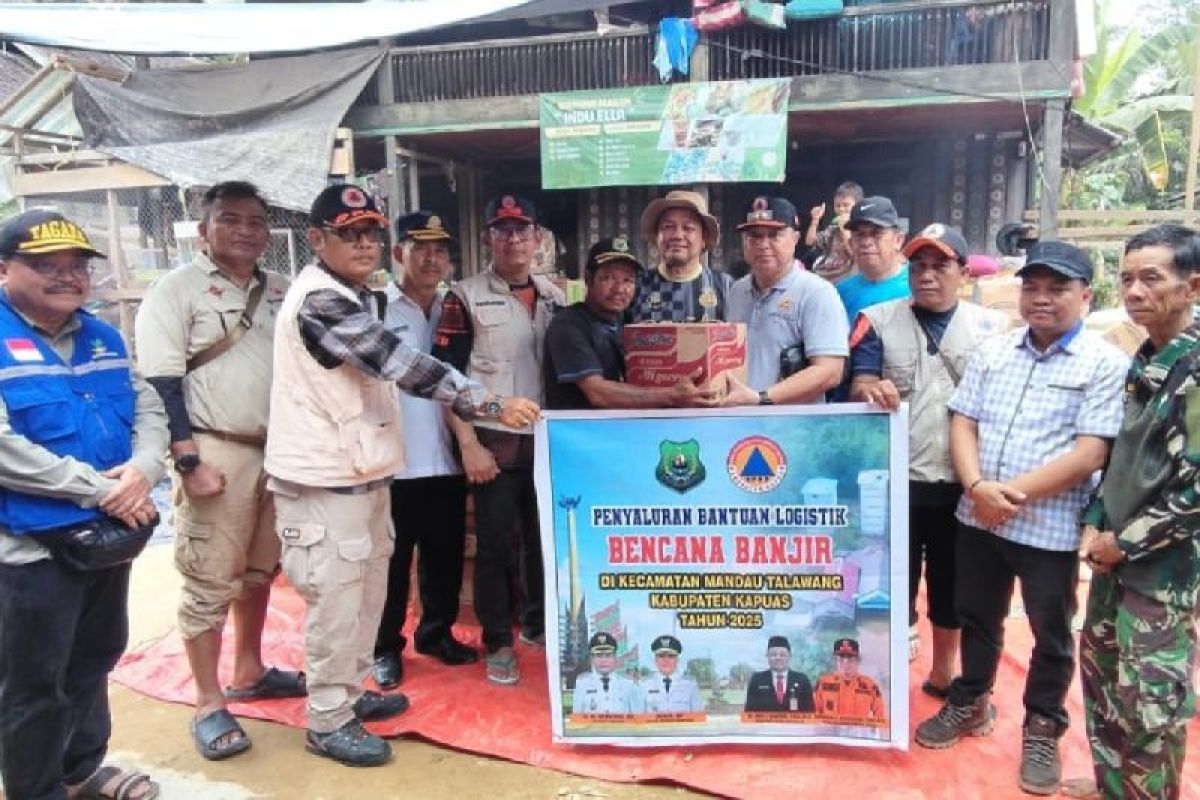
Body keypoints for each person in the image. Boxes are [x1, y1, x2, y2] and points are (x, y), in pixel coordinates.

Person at [266, 184, 537, 767]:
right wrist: (487, 404)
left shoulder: (355, 294)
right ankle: (327, 718)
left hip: (362, 473)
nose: (363, 243)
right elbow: (398, 362)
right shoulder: (320, 299)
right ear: (317, 240)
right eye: (349, 234)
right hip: (322, 482)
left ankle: (353, 691)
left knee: (367, 592)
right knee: (336, 601)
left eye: (370, 232)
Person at [915, 241, 1128, 797]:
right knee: (976, 616)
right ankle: (970, 701)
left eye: (1057, 289)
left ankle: (1042, 726)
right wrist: (977, 487)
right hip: (978, 518)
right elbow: (963, 421)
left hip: (1049, 527)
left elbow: (1091, 453)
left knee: (1051, 634)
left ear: (1086, 295)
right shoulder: (996, 350)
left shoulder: (1105, 363)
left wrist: (1006, 494)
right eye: (1032, 287)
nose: (1041, 299)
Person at [0, 209, 167, 800]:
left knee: (94, 656)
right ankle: (36, 791)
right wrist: (98, 488)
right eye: (46, 265)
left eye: (76, 266)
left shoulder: (102, 335)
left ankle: (79, 772)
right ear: (4, 270)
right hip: (28, 550)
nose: (67, 277)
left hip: (104, 535)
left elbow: (147, 405)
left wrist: (146, 467)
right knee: (33, 683)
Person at [135, 180, 303, 762]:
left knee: (258, 571)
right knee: (209, 577)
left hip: (276, 449)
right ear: (204, 229)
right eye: (230, 219)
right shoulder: (175, 291)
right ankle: (209, 702)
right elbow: (160, 382)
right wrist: (186, 461)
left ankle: (250, 668)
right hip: (214, 448)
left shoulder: (282, 288)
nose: (246, 230)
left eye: (256, 221)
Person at [848, 223, 1008, 695]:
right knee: (891, 581)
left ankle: (943, 674)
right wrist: (868, 389)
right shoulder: (877, 319)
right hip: (899, 479)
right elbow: (858, 380)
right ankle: (885, 678)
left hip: (964, 483)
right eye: (918, 265)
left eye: (941, 266)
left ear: (963, 272)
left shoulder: (992, 328)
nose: (927, 275)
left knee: (951, 584)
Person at [1073, 225, 1200, 800]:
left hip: (1160, 574)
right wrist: (1096, 519)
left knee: (1152, 703)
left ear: (1192, 286)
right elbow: (1123, 454)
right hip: (1113, 561)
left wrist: (1121, 542)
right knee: (1102, 681)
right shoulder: (1145, 359)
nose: (1135, 291)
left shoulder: (1194, 372)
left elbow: (1194, 495)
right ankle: (1113, 788)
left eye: (1152, 277)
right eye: (1126, 278)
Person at [433, 192, 565, 686]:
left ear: (537, 238)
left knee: (540, 542)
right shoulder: (462, 296)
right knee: (493, 547)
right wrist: (467, 443)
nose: (513, 239)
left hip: (545, 443)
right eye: (502, 229)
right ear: (489, 237)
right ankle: (497, 642)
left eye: (521, 229)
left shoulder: (554, 296)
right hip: (492, 443)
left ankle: (535, 624)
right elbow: (442, 378)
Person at [371, 211, 477, 692]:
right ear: (398, 254)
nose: (431, 258)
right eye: (420, 248)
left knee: (444, 557)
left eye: (439, 249)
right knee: (391, 563)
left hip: (446, 457)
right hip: (394, 460)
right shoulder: (375, 308)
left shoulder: (455, 309)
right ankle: (384, 648)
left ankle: (436, 634)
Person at [543, 236, 717, 410]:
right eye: (608, 278)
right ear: (588, 279)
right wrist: (672, 395)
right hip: (579, 434)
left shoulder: (628, 322)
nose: (619, 289)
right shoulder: (568, 325)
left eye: (628, 280)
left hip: (623, 432)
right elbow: (598, 392)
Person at [722, 195, 849, 408]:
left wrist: (760, 398)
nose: (763, 244)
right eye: (754, 236)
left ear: (795, 238)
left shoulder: (817, 292)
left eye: (774, 235)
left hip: (793, 429)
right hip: (740, 424)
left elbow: (830, 371)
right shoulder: (737, 291)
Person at [629, 190, 731, 323]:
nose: (677, 235)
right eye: (668, 226)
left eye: (688, 228)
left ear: (704, 238)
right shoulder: (636, 285)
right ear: (656, 236)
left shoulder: (726, 287)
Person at [836, 195, 911, 324]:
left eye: (876, 234)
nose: (866, 242)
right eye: (859, 235)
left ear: (898, 240)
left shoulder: (917, 287)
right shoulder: (840, 293)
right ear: (850, 243)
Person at [813, 639, 887, 721]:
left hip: (858, 733)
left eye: (850, 657)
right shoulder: (823, 683)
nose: (845, 662)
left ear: (858, 660)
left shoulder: (869, 685)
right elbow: (813, 714)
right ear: (835, 660)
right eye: (841, 658)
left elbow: (880, 717)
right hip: (829, 732)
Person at [805, 180, 863, 283]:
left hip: (845, 276)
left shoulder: (860, 229)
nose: (841, 209)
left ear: (857, 206)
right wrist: (815, 220)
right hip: (824, 273)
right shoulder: (832, 229)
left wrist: (844, 229)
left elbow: (855, 255)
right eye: (838, 205)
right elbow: (810, 242)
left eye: (846, 205)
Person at [571, 632, 642, 715]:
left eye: (608, 655)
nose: (603, 660)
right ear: (592, 659)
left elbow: (637, 720)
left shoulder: (628, 685)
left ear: (615, 658)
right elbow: (577, 721)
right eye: (599, 655)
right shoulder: (582, 685)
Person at [742, 635, 815, 713]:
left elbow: (810, 712)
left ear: (789, 656)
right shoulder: (757, 679)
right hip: (765, 725)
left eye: (782, 655)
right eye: (773, 654)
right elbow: (749, 712)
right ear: (767, 656)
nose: (778, 658)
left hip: (795, 725)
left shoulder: (802, 680)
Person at [641, 634, 703, 713]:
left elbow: (698, 719)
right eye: (661, 656)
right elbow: (638, 720)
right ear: (655, 660)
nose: (666, 660)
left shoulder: (690, 687)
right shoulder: (643, 686)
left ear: (677, 660)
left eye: (671, 656)